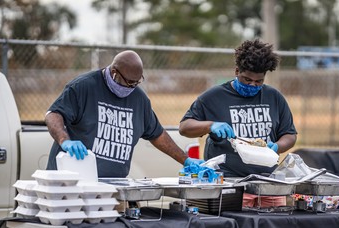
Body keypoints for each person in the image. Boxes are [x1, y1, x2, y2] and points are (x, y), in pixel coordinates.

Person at [45, 50, 203, 178]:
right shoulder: (84, 87)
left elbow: (157, 134)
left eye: (137, 82)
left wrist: (186, 160)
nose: (132, 87)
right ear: (114, 73)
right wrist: (64, 140)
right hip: (71, 183)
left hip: (114, 188)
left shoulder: (139, 99)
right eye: (129, 82)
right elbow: (53, 114)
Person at [179, 39, 297, 207]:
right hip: (229, 184)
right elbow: (184, 127)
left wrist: (277, 147)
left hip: (267, 183)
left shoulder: (274, 97)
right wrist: (210, 125)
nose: (252, 85)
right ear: (236, 71)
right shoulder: (213, 97)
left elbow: (290, 134)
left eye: (258, 82)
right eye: (247, 80)